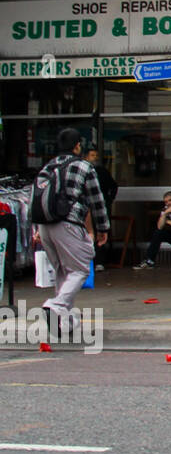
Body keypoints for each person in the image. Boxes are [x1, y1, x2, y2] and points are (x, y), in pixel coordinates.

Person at [33, 128, 109, 337]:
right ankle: (55, 306)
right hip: (68, 222)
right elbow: (97, 200)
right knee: (80, 269)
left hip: (44, 224)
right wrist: (102, 228)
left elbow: (37, 198)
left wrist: (36, 229)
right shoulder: (83, 166)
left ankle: (63, 322)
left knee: (62, 272)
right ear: (77, 146)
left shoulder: (48, 167)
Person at [83, 145, 117, 269]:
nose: (95, 158)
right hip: (85, 208)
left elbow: (113, 186)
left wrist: (108, 200)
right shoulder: (82, 171)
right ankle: (86, 260)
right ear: (86, 157)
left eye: (96, 155)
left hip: (100, 207)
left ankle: (99, 261)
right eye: (92, 155)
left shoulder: (101, 171)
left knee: (100, 233)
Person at [135, 191, 171, 268]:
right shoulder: (166, 210)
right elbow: (159, 227)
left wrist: (167, 221)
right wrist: (166, 213)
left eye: (170, 200)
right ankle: (149, 260)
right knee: (159, 233)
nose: (168, 203)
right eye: (166, 202)